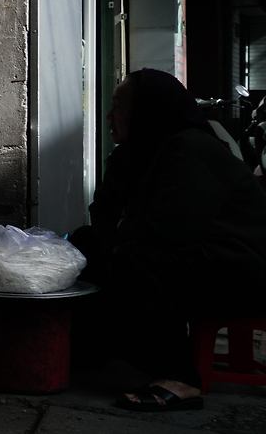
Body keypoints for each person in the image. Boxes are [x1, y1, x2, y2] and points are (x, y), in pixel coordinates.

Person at [73, 68, 266, 412]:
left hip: (246, 270)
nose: (109, 116)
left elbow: (168, 229)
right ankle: (96, 351)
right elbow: (103, 218)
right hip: (198, 256)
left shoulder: (190, 149)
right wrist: (118, 174)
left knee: (138, 260)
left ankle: (180, 378)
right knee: (85, 245)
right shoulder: (138, 153)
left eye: (119, 107)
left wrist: (118, 237)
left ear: (147, 112)